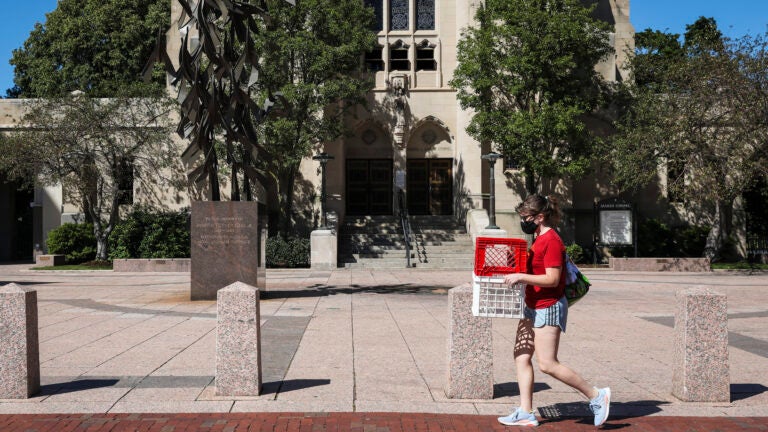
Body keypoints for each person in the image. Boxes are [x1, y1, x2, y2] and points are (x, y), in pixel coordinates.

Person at [498, 194, 610, 427]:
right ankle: (526, 412)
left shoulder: (551, 240)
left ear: (540, 217)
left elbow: (552, 278)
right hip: (533, 303)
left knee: (548, 364)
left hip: (547, 305)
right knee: (521, 355)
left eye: (526, 217)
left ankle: (597, 396)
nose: (523, 221)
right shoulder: (538, 237)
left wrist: (521, 276)